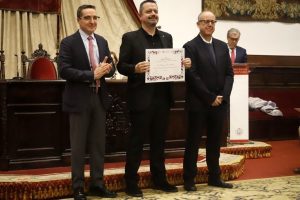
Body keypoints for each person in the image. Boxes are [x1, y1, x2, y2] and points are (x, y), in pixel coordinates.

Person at [117, 0, 191, 197]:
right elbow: (121, 66)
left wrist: (181, 63)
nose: (153, 14)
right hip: (141, 99)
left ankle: (160, 180)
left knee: (159, 143)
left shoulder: (167, 37)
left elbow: (171, 65)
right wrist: (134, 68)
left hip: (163, 99)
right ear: (140, 16)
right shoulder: (130, 38)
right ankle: (131, 183)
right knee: (136, 143)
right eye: (148, 11)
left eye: (155, 11)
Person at [58, 4, 117, 200]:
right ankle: (78, 188)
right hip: (79, 100)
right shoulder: (68, 42)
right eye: (87, 18)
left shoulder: (102, 41)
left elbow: (110, 68)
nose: (92, 22)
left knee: (98, 145)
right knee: (78, 147)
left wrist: (108, 68)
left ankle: (97, 185)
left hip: (99, 99)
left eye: (95, 18)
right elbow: (64, 70)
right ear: (79, 20)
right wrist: (92, 74)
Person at [182, 11, 234, 191]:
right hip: (199, 104)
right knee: (193, 142)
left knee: (214, 143)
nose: (209, 25)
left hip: (219, 104)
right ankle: (189, 179)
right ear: (198, 24)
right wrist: (210, 97)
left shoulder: (221, 46)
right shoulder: (190, 46)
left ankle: (214, 177)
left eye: (212, 22)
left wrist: (223, 97)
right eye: (205, 22)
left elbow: (229, 74)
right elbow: (192, 75)